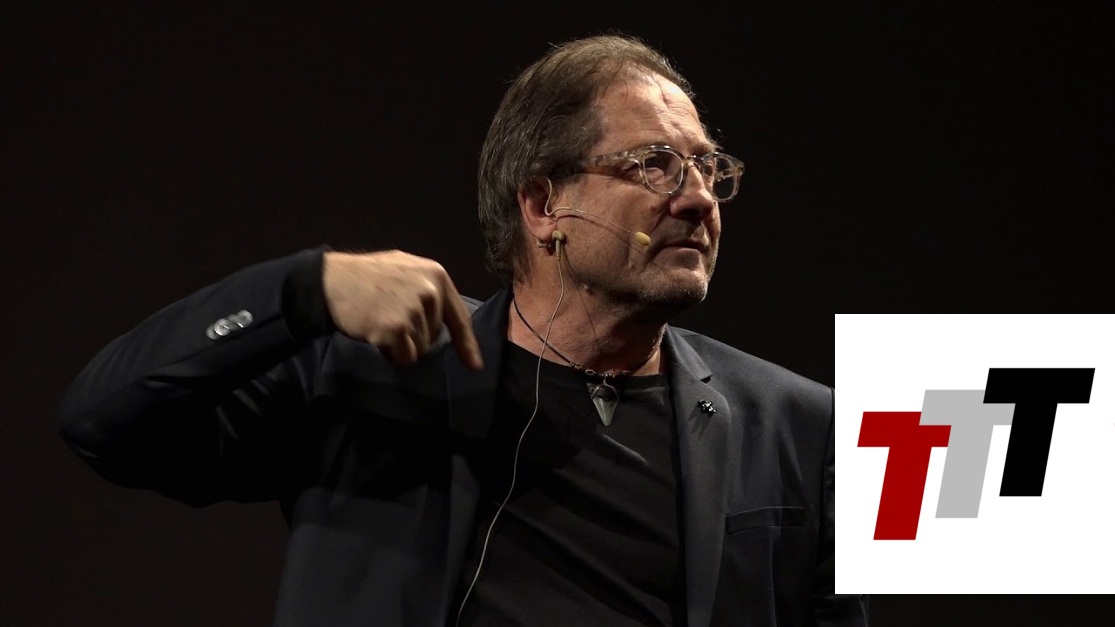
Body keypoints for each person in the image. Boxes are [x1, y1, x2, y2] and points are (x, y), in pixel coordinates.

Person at [59, 34, 867, 627]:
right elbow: (103, 420)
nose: (696, 199)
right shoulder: (372, 376)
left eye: (707, 168)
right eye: (654, 163)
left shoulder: (804, 427)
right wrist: (299, 290)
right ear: (543, 204)